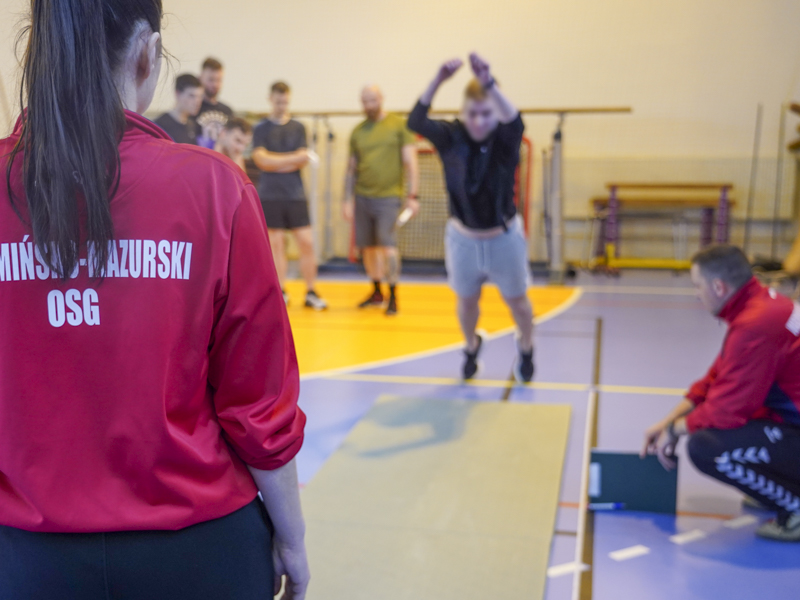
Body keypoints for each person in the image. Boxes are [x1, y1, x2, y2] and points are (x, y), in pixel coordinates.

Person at [0, 2, 309, 599]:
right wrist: (292, 537)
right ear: (146, 50)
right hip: (198, 549)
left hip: (24, 557)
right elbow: (258, 402)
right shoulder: (214, 186)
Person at [643, 245, 800, 542]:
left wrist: (675, 431)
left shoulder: (756, 324)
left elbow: (726, 411)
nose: (696, 294)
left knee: (708, 448)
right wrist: (667, 422)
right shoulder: (760, 305)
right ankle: (782, 488)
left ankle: (795, 508)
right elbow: (715, 379)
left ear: (718, 287)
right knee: (733, 424)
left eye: (697, 286)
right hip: (791, 424)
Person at [407, 53, 534, 382]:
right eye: (472, 114)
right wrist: (438, 80)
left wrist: (488, 81)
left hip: (503, 237)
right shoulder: (451, 136)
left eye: (486, 114)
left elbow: (516, 122)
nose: (478, 121)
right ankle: (472, 345)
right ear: (463, 112)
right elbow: (416, 121)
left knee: (518, 302)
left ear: (496, 114)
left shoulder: (505, 139)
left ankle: (526, 346)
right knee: (466, 302)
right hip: (462, 238)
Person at [252, 81, 327, 310]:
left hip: (295, 195)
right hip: (270, 195)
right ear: (270, 99)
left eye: (285, 101)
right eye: (277, 101)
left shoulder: (298, 127)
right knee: (276, 245)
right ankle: (281, 291)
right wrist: (292, 159)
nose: (281, 105)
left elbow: (302, 159)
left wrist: (275, 162)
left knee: (307, 243)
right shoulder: (261, 128)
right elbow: (261, 160)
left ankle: (311, 291)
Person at [344, 85, 419, 316]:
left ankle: (393, 295)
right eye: (364, 101)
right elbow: (351, 169)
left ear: (381, 99)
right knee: (368, 248)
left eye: (372, 100)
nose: (369, 105)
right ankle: (377, 292)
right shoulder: (358, 132)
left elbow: (411, 162)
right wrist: (346, 200)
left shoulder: (398, 125)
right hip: (362, 197)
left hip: (389, 198)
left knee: (388, 246)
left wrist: (413, 196)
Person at [195, 57, 234, 148]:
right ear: (200, 79)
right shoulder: (193, 109)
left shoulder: (227, 111)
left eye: (219, 80)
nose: (215, 84)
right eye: (211, 79)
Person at [153, 73, 203, 144]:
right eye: (192, 96)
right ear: (178, 94)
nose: (197, 101)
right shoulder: (160, 125)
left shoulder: (192, 125)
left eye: (200, 96)